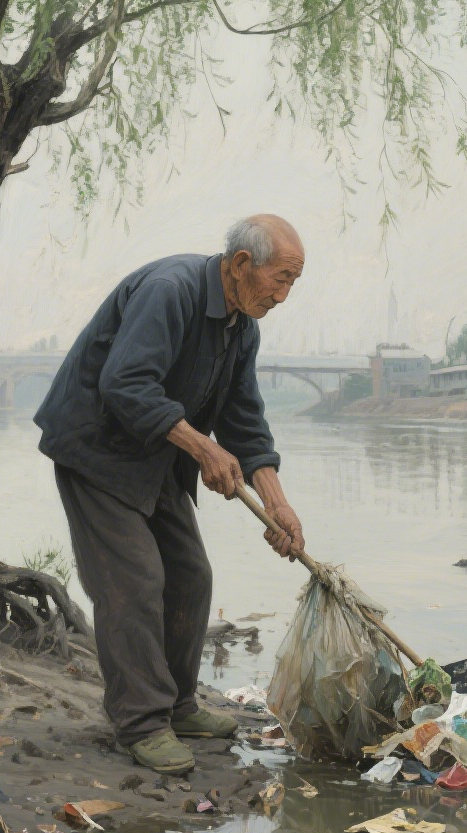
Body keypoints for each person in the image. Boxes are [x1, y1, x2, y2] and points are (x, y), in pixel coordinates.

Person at [34, 215, 307, 774]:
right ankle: (140, 722)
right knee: (134, 583)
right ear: (239, 265)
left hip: (156, 458)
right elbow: (125, 384)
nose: (282, 296)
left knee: (190, 576)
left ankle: (179, 706)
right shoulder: (171, 291)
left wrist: (276, 504)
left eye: (291, 284)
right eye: (278, 280)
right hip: (98, 451)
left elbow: (245, 422)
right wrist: (203, 449)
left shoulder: (241, 327)